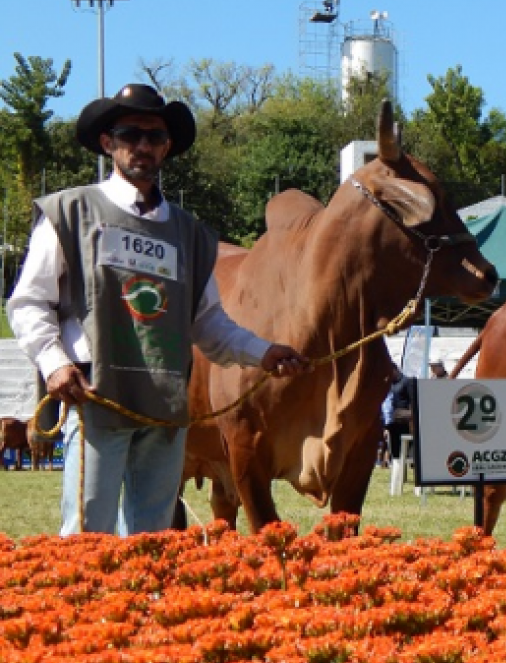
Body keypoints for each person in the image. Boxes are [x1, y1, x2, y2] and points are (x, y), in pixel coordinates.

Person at [6, 84, 310, 537]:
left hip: (166, 405)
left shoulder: (190, 234)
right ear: (108, 143)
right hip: (95, 394)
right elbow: (29, 302)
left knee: (154, 539)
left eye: (155, 137)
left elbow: (210, 325)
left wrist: (263, 352)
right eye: (130, 135)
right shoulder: (70, 212)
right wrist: (54, 365)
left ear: (167, 147)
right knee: (89, 534)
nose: (142, 146)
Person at [380, 366, 413, 466]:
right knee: (394, 447)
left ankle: (406, 465)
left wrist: (411, 417)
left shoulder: (406, 381)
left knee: (405, 446)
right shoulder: (389, 384)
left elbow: (412, 400)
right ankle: (396, 466)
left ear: (395, 370)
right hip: (392, 420)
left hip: (404, 420)